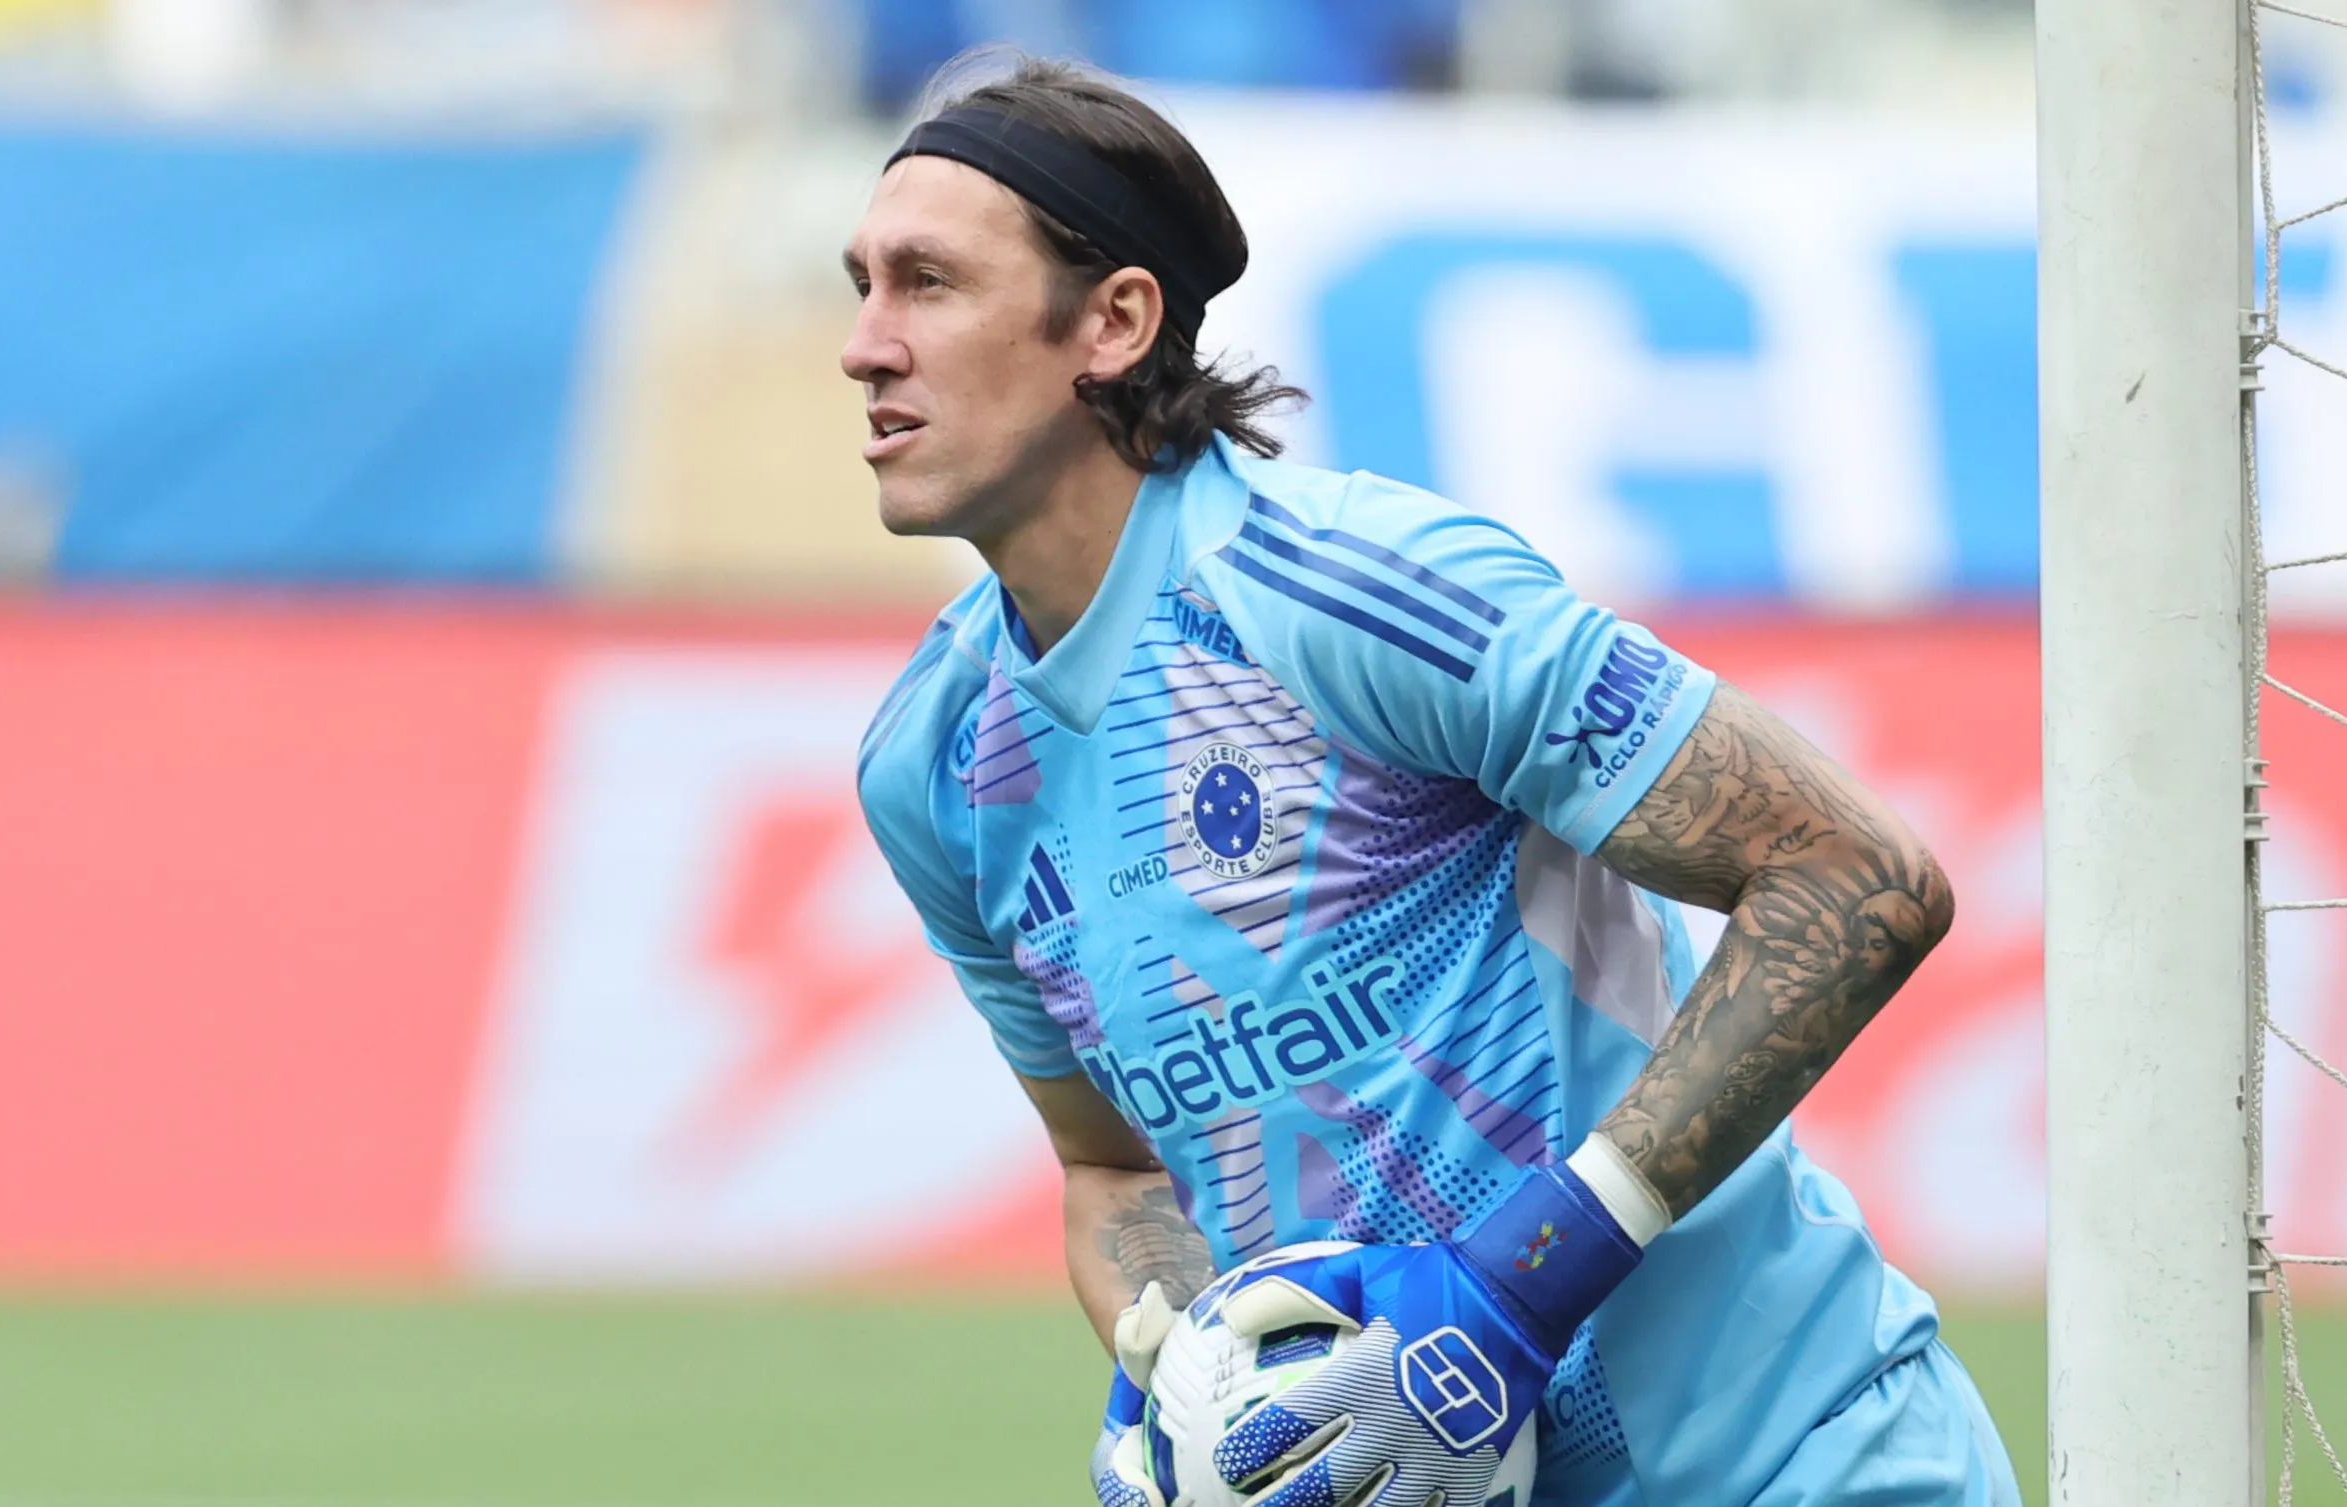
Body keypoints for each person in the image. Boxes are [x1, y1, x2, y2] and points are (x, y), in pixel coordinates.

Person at [845, 53, 2020, 1507]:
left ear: (1113, 321)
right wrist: (1176, 1366)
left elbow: (1857, 875)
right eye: (863, 286)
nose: (865, 344)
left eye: (928, 284)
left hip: (1791, 1461)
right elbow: (1116, 1173)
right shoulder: (937, 766)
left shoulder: (1349, 594)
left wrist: (1528, 1282)